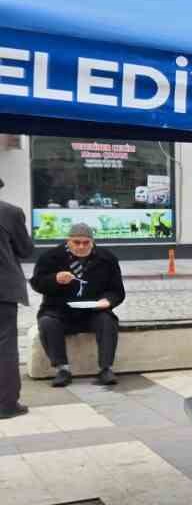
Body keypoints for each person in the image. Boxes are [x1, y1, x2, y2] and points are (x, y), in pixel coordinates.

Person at [31, 223, 124, 387]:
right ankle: (62, 369)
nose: (81, 246)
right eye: (76, 242)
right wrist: (55, 279)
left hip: (93, 310)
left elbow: (117, 290)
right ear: (68, 241)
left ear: (92, 242)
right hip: (58, 310)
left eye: (86, 242)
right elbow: (37, 283)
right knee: (47, 323)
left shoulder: (107, 258)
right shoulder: (50, 257)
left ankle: (106, 368)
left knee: (107, 321)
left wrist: (107, 301)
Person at [0, 179, 33, 419]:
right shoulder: (9, 212)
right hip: (3, 289)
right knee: (5, 346)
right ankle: (6, 403)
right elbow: (26, 249)